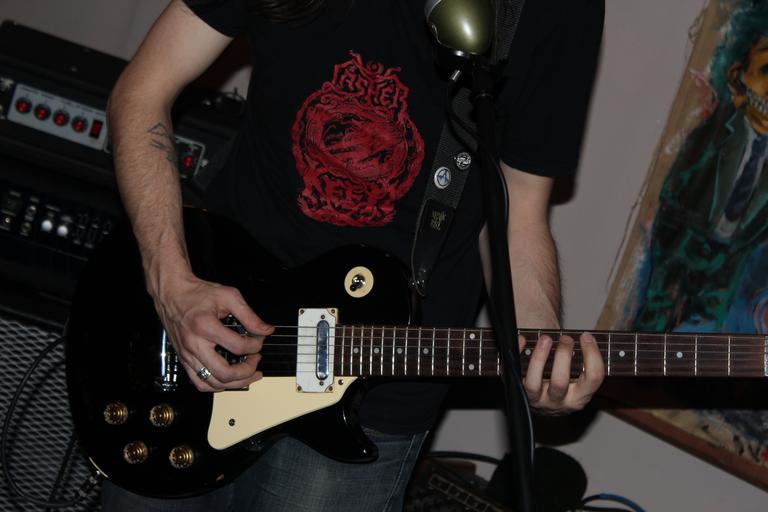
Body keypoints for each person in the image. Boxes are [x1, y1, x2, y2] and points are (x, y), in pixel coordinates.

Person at [103, 0, 605, 510]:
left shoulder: (555, 10)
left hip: (377, 379)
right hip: (206, 320)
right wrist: (172, 284)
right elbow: (142, 90)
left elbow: (519, 211)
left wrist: (540, 351)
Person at [633, 1, 768, 333]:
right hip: (684, 242)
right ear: (737, 75)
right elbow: (679, 188)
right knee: (654, 320)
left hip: (729, 262)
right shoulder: (717, 131)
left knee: (706, 333)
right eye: (766, 72)